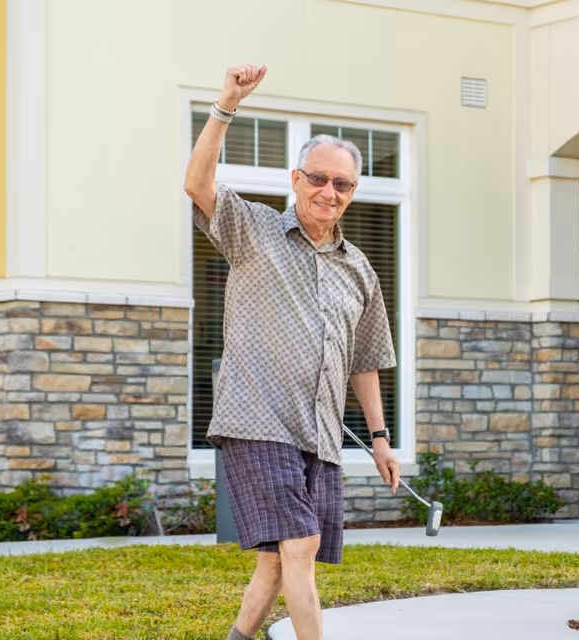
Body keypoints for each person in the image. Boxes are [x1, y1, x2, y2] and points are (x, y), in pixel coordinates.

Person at [184, 64, 401, 640]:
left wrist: (379, 440)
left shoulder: (359, 269)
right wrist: (227, 103)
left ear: (352, 192)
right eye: (319, 179)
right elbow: (198, 184)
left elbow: (366, 359)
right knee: (300, 544)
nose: (329, 192)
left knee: (278, 560)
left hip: (322, 433)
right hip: (257, 421)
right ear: (296, 179)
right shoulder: (252, 231)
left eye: (343, 184)